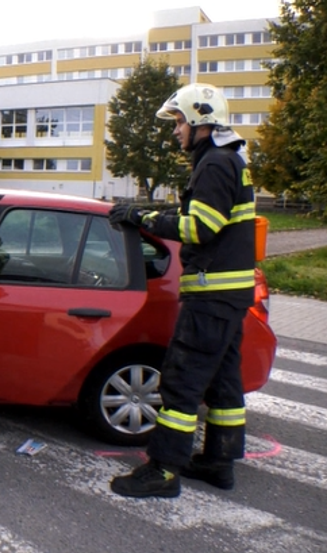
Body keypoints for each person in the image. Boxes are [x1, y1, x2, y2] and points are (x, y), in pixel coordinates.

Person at [108, 83, 256, 498]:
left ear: (199, 120)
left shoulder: (214, 164)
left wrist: (144, 220)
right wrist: (150, 212)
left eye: (178, 121)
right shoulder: (230, 159)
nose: (175, 130)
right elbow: (201, 213)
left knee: (181, 381)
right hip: (229, 294)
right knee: (223, 382)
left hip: (210, 295)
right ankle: (218, 463)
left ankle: (163, 471)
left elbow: (200, 227)